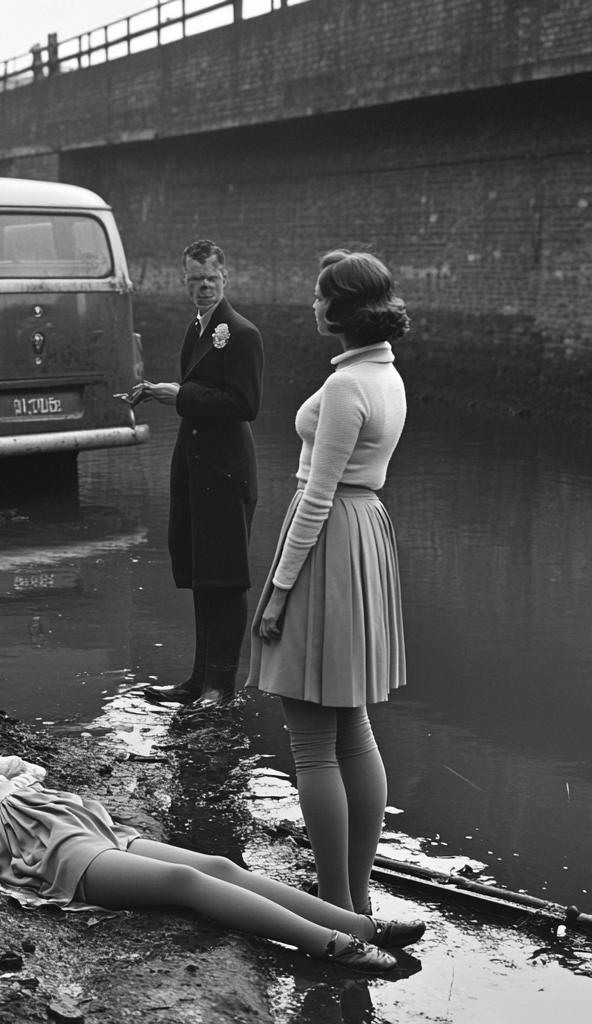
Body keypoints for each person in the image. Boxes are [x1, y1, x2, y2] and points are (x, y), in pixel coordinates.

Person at [0, 728, 425, 973]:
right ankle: (335, 946)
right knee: (185, 886)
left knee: (217, 865)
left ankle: (362, 925)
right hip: (42, 846)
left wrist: (15, 776)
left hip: (70, 815)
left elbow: (12, 764)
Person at [247, 249, 410, 915]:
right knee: (353, 729)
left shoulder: (346, 388)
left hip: (329, 540)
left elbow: (316, 498)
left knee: (313, 743)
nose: (313, 306)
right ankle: (357, 896)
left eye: (320, 296)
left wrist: (279, 592)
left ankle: (339, 908)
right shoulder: (386, 375)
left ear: (341, 309)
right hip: (364, 534)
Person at [143, 240, 264, 707]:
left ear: (225, 278)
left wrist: (181, 397)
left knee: (227, 576)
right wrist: (162, 394)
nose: (203, 287)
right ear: (184, 280)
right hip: (195, 465)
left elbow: (246, 405)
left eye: (211, 279)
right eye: (195, 280)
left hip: (225, 469)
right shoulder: (196, 329)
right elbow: (194, 391)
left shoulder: (242, 332)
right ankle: (198, 680)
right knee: (202, 573)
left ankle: (221, 686)